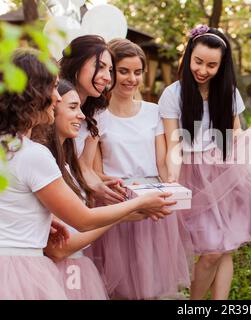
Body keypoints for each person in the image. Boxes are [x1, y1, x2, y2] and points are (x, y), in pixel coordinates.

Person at [0, 49, 174, 299]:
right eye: (53, 88)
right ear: (34, 94)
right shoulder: (32, 155)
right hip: (20, 271)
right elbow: (83, 220)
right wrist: (140, 203)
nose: (57, 98)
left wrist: (41, 223)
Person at [159, 25, 251, 300]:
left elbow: (235, 136)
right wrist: (172, 179)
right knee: (211, 251)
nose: (203, 70)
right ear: (188, 57)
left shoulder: (228, 92)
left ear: (222, 65)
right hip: (193, 174)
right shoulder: (173, 94)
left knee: (225, 247)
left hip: (226, 173)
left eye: (211, 65)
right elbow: (173, 144)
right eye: (198, 62)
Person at [81, 38, 193, 299]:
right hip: (118, 203)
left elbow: (163, 161)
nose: (131, 78)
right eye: (123, 71)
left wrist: (171, 187)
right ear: (110, 73)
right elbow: (95, 171)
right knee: (119, 286)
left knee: (151, 283)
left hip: (151, 202)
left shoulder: (153, 112)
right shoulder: (97, 116)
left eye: (137, 72)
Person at [59, 35, 125, 206]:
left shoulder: (98, 112)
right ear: (77, 64)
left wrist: (102, 188)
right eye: (100, 66)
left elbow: (84, 167)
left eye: (109, 70)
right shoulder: (53, 103)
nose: (108, 77)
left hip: (78, 197)